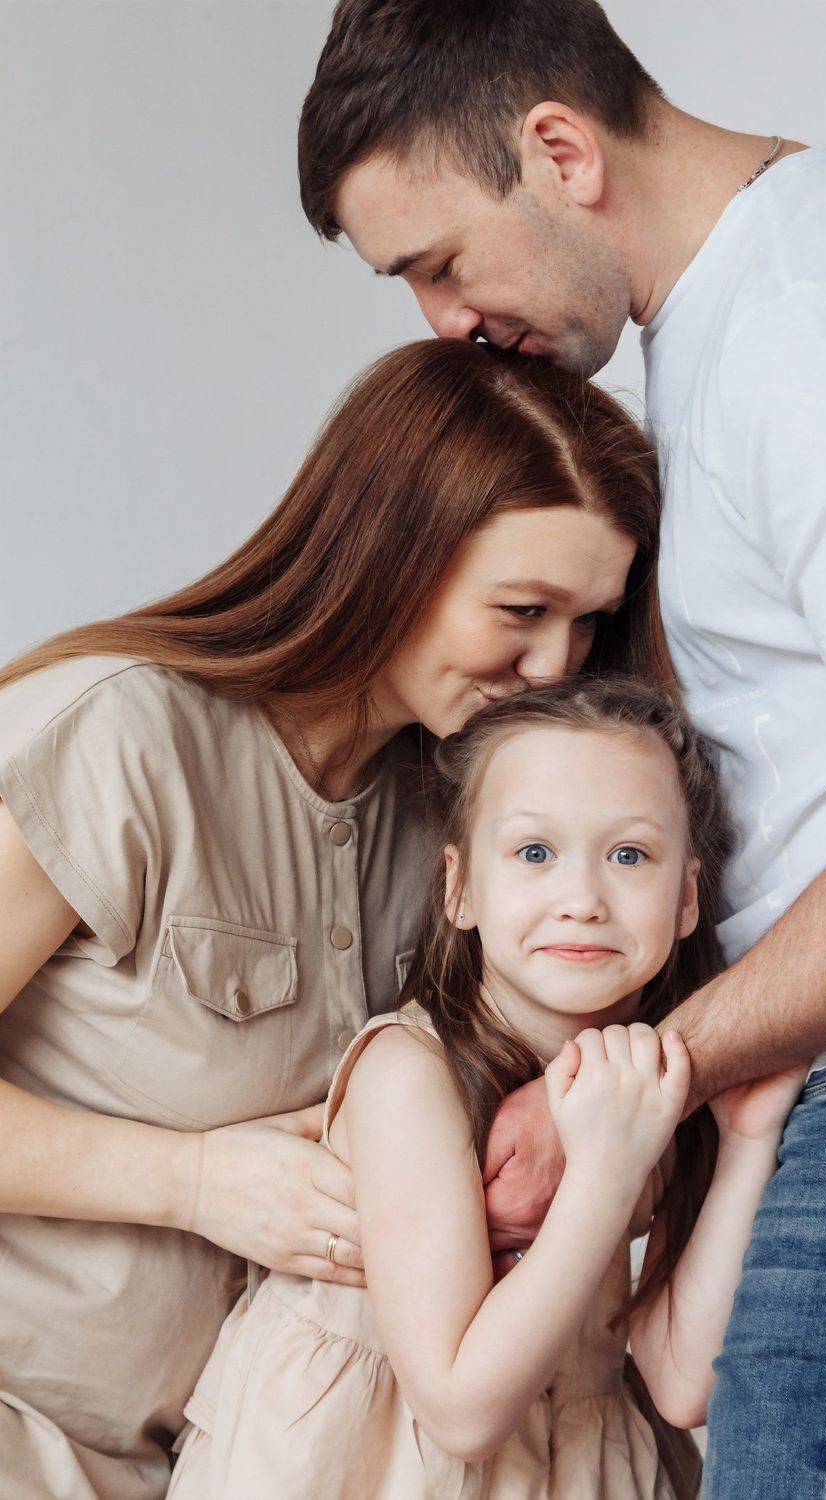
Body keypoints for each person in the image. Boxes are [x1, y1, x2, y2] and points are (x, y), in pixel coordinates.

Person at [297, 3, 826, 1495]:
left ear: (561, 150)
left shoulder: (815, 326)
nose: (440, 319)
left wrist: (633, 1090)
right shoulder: (739, 318)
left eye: (440, 260)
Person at [0, 338, 666, 1500]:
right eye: (521, 609)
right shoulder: (116, 738)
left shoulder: (459, 821)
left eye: (586, 623)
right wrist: (190, 1182)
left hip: (213, 1461)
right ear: (390, 558)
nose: (554, 664)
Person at [167, 677, 805, 1500]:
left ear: (685, 898)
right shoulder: (408, 1073)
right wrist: (606, 1170)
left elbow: (683, 1383)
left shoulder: (646, 1083)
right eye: (535, 853)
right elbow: (461, 1412)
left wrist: (747, 1140)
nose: (582, 901)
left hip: (569, 1467)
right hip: (356, 1471)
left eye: (629, 855)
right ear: (459, 888)